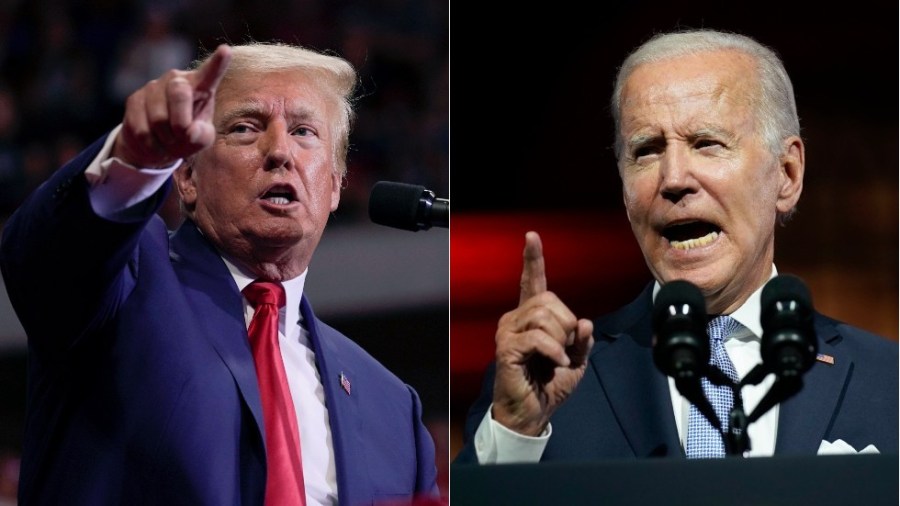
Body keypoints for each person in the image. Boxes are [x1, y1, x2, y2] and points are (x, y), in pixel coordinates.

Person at [0, 42, 438, 505]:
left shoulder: (392, 409)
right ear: (186, 176)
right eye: (245, 129)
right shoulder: (126, 282)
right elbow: (46, 257)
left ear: (334, 183)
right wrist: (133, 162)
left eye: (304, 131)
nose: (279, 152)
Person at [455, 29, 898, 464]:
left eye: (707, 144)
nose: (673, 180)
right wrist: (514, 431)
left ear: (787, 174)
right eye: (646, 151)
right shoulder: (547, 379)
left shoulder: (888, 380)